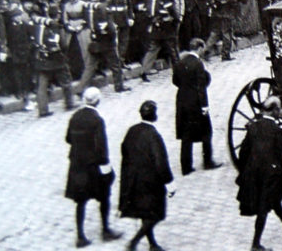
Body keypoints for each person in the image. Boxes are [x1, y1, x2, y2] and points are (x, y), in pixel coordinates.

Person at [236, 96, 282, 251]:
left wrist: (248, 168)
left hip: (254, 173)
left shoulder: (253, 127)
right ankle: (255, 244)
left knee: (273, 199)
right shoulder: (277, 131)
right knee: (264, 208)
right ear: (275, 111)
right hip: (271, 174)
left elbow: (243, 152)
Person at [65, 87, 122, 248]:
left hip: (77, 165)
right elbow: (101, 147)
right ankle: (105, 230)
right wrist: (106, 167)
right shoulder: (97, 120)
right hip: (93, 166)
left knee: (80, 201)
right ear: (97, 101)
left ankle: (80, 236)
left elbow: (68, 138)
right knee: (104, 197)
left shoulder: (74, 116)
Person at [119, 100, 175, 251]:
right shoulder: (154, 135)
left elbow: (124, 150)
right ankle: (133, 242)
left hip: (133, 179)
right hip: (150, 182)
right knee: (155, 214)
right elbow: (161, 162)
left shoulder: (132, 130)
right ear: (154, 115)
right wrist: (169, 183)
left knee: (145, 212)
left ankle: (152, 244)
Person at [173, 38, 221, 175]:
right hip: (196, 103)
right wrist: (204, 106)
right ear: (199, 48)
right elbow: (201, 87)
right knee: (207, 132)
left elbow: (175, 81)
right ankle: (208, 161)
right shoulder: (198, 64)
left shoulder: (179, 62)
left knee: (186, 135)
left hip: (182, 101)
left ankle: (186, 166)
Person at [33, 5, 76, 116]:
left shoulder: (39, 25)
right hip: (56, 59)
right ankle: (69, 103)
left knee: (42, 86)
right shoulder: (57, 26)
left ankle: (43, 110)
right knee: (66, 81)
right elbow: (63, 44)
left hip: (42, 58)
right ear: (58, 15)